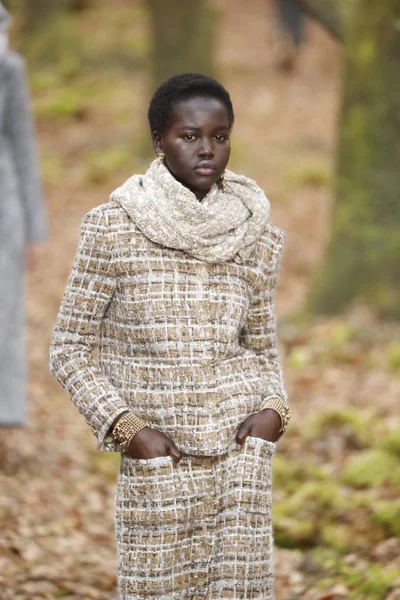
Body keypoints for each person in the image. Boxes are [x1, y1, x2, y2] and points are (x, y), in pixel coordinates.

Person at [50, 73, 290, 599]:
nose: (207, 149)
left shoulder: (257, 235)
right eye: (189, 135)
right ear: (158, 141)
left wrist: (275, 410)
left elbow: (262, 348)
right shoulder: (112, 228)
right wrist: (126, 428)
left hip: (239, 458)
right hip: (160, 457)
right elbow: (68, 349)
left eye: (220, 136)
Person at [0, 2, 46, 429]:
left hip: (4, 211)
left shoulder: (9, 69)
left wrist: (35, 227)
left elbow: (23, 147)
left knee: (4, 317)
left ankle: (4, 418)